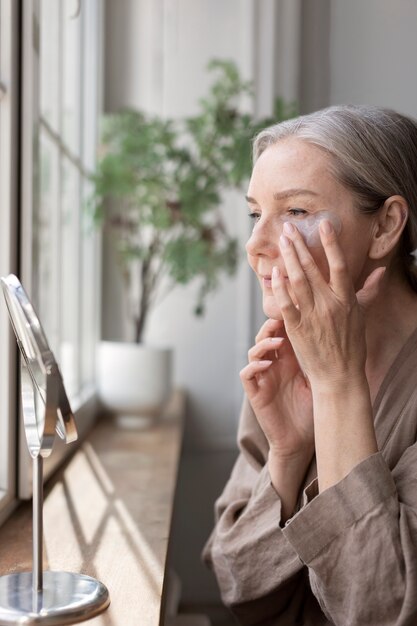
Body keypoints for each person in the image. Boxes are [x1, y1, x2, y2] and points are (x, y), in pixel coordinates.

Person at [203, 104, 417, 625]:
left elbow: (381, 611)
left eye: (296, 212)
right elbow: (236, 581)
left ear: (386, 226)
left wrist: (338, 386)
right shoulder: (287, 357)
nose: (255, 246)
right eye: (256, 214)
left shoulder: (327, 365)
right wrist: (287, 451)